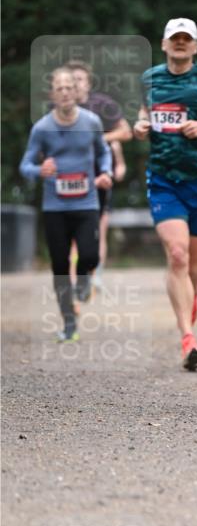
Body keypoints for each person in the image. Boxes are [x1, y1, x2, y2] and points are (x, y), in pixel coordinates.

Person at [134, 18, 197, 370]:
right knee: (176, 254)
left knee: (194, 263)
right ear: (164, 43)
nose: (181, 43)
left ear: (196, 47)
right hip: (163, 178)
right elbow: (144, 114)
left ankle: (193, 289)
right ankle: (188, 339)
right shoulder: (150, 78)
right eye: (175, 38)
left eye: (187, 39)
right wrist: (140, 125)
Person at [19, 67, 113, 341]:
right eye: (58, 88)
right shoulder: (42, 128)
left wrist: (105, 173)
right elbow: (25, 165)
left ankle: (83, 280)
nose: (64, 92)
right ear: (52, 94)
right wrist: (40, 170)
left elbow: (103, 152)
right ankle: (68, 322)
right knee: (59, 265)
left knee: (90, 256)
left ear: (77, 91)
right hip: (55, 207)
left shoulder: (92, 121)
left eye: (68, 87)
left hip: (86, 203)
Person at [65, 61, 132, 292]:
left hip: (100, 176)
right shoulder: (59, 109)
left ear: (89, 82)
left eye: (80, 79)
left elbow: (125, 131)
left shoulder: (102, 105)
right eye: (71, 80)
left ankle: (95, 275)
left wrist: (98, 140)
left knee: (97, 228)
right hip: (70, 178)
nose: (75, 84)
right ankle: (77, 277)